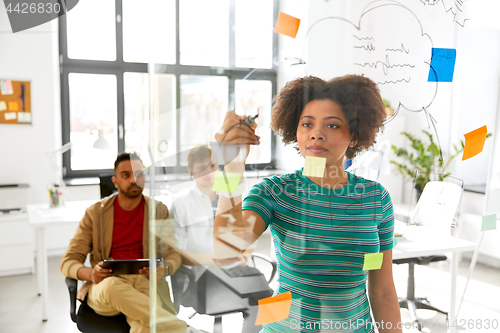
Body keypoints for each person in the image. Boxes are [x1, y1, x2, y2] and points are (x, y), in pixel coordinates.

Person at [213, 75, 402, 332]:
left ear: (355, 136)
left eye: (332, 125)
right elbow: (225, 251)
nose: (316, 134)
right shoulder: (275, 192)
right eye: (307, 124)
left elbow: (381, 291)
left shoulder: (375, 197)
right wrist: (232, 167)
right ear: (296, 132)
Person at [60, 152, 196, 333]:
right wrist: (91, 273)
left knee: (144, 327)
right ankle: (182, 329)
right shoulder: (95, 213)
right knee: (112, 287)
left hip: (145, 284)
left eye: (139, 174)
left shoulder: (159, 210)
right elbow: (68, 261)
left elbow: (172, 253)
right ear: (115, 181)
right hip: (106, 288)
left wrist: (165, 268)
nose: (134, 179)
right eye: (126, 175)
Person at [169, 144, 272, 333]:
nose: (209, 173)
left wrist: (242, 252)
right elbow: (176, 252)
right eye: (201, 169)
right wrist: (214, 260)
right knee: (261, 298)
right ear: (190, 170)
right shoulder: (182, 203)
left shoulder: (228, 195)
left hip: (232, 270)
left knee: (268, 300)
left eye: (212, 166)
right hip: (200, 275)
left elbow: (243, 236)